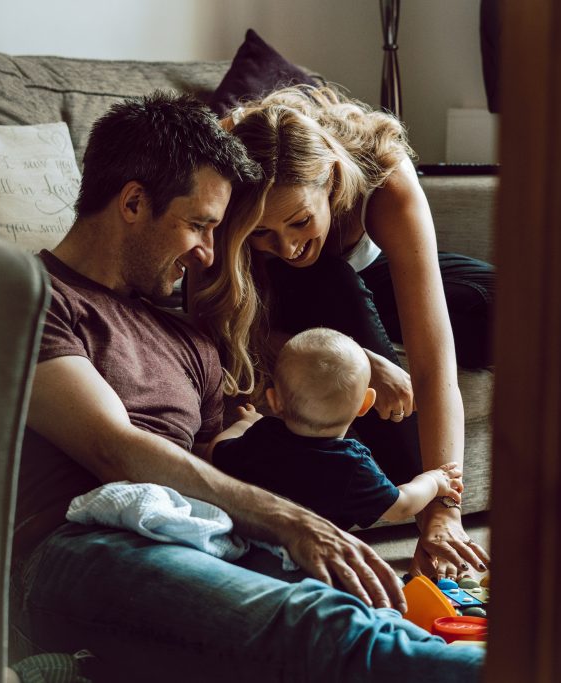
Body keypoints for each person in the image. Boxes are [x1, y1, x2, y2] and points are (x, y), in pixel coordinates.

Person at [10, 91, 484, 682]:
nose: (210, 253)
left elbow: (230, 457)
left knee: (370, 615)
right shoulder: (29, 295)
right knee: (324, 631)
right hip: (80, 548)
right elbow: (114, 446)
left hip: (193, 542)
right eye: (198, 225)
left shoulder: (187, 339)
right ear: (133, 202)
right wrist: (291, 522)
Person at [192, 85, 494, 581]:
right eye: (262, 234)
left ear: (331, 179)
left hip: (379, 278)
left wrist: (447, 515)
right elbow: (213, 324)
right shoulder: (223, 174)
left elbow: (432, 358)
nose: (287, 246)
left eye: (299, 221)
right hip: (308, 300)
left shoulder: (384, 175)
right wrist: (358, 358)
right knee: (330, 277)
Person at [210, 327, 465, 531]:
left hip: (254, 543)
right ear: (365, 405)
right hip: (318, 559)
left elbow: (216, 450)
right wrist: (433, 480)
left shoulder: (261, 437)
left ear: (275, 401)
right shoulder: (353, 466)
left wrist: (244, 424)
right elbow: (401, 506)